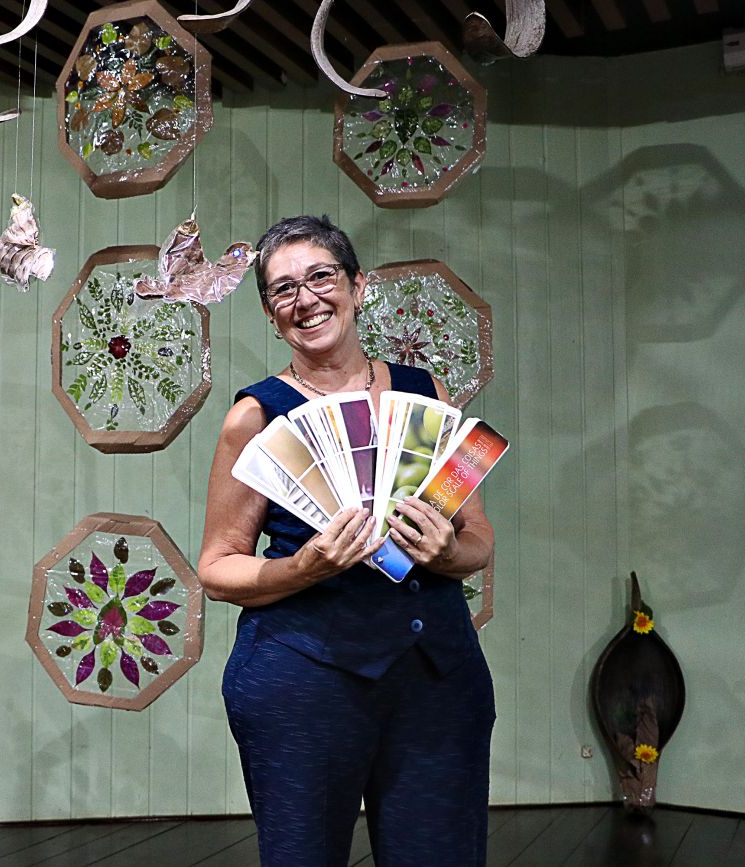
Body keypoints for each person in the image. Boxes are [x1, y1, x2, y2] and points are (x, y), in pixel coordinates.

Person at [197, 215, 496, 866]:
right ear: (271, 314)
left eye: (321, 277)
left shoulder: (427, 394)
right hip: (303, 680)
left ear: (358, 287)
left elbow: (478, 540)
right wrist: (305, 566)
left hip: (438, 677)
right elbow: (217, 568)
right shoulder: (254, 416)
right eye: (283, 289)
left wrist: (446, 552)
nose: (305, 299)